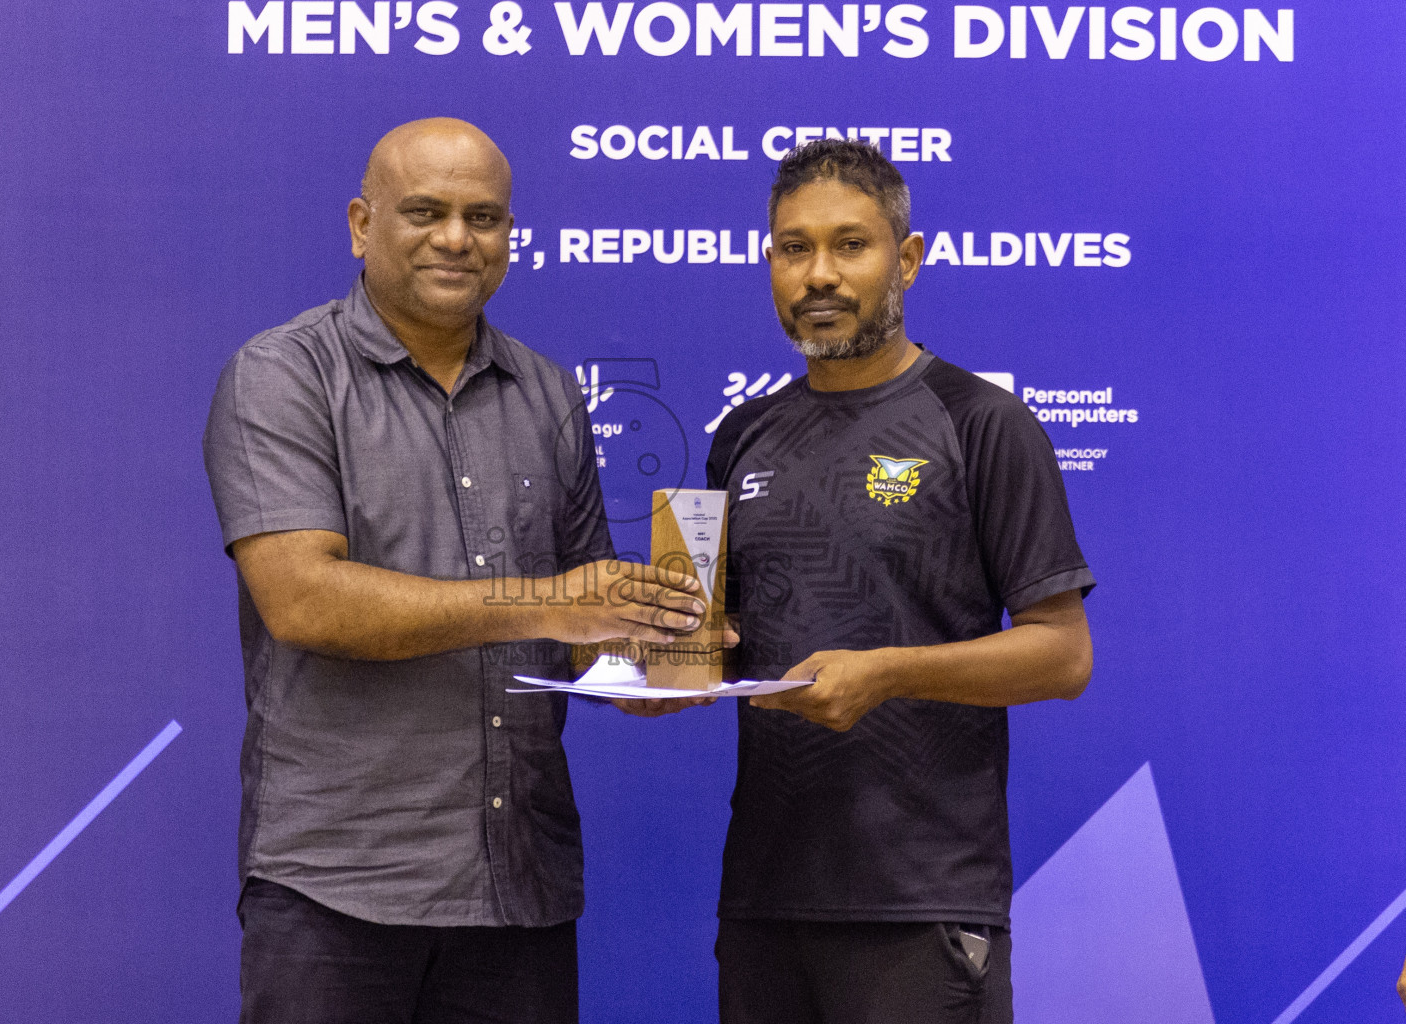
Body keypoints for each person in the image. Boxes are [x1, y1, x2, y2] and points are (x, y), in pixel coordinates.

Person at [202, 117, 706, 1024]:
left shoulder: (549, 392)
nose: (456, 239)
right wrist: (548, 603)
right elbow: (305, 601)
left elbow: (580, 623)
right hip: (337, 890)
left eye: (484, 217)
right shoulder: (283, 376)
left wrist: (657, 658)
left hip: (519, 887)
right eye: (425, 212)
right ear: (362, 225)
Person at [704, 138, 1096, 1024]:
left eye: (851, 245)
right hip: (765, 896)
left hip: (922, 902)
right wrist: (665, 676)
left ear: (907, 261)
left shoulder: (981, 422)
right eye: (794, 248)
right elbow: (723, 644)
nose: (820, 275)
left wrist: (888, 672)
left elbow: (1062, 655)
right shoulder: (740, 438)